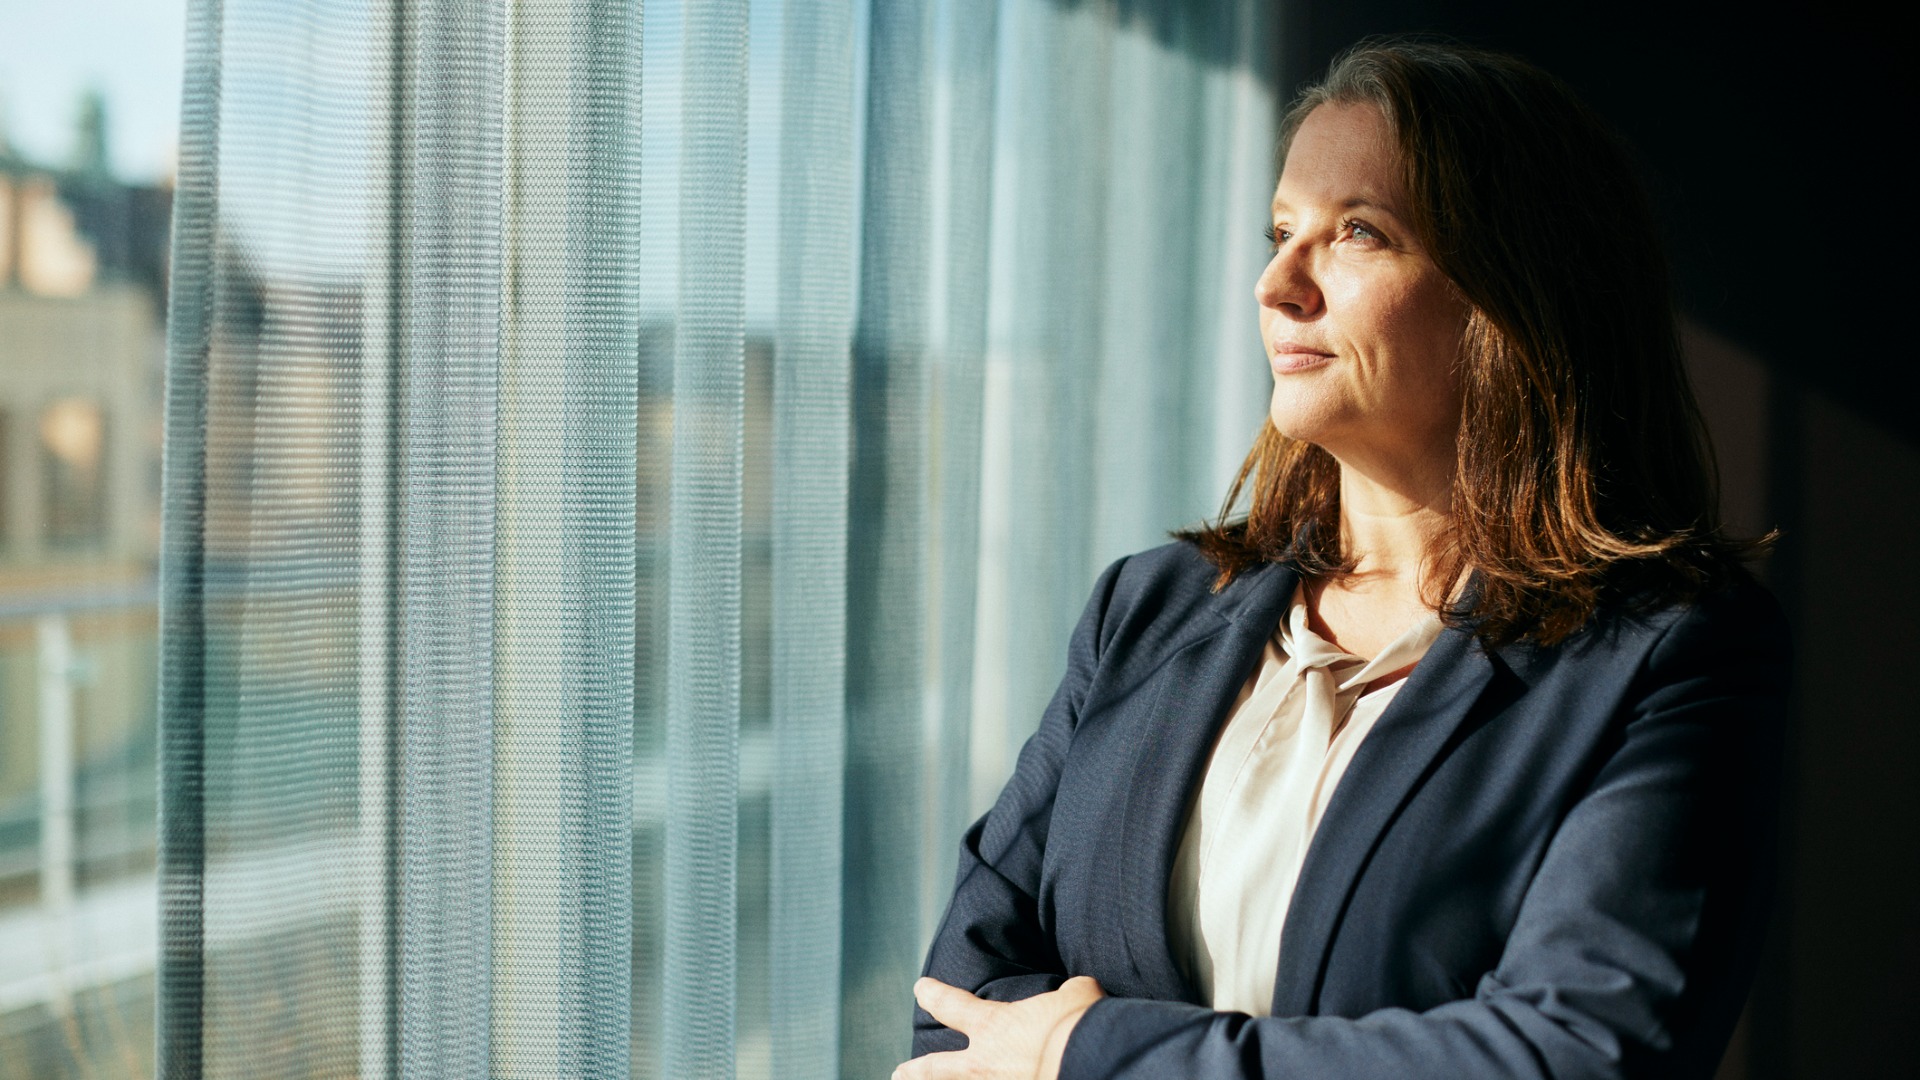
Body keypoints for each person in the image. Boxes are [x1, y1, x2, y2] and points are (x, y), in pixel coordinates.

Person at [896, 38, 1788, 1080]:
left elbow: (1573, 1054)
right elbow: (958, 1011)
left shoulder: (1668, 654)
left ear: (1517, 290)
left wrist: (1092, 1054)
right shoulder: (1147, 609)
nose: (1278, 283)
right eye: (1281, 232)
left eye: (1357, 232)